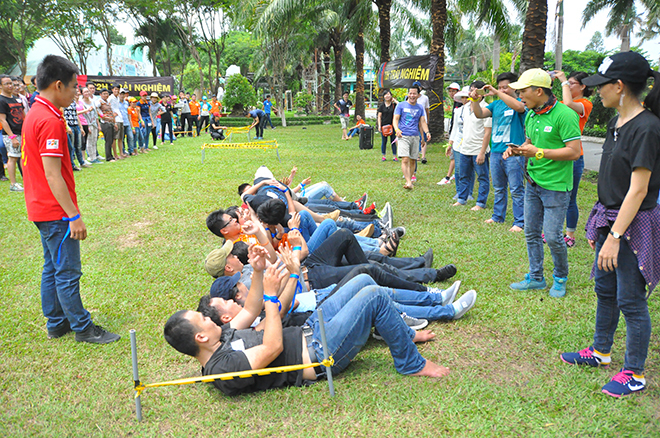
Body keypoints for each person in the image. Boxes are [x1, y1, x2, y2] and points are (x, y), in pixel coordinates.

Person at [164, 245, 452, 397]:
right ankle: (410, 363)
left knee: (364, 278)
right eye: (202, 318)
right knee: (373, 296)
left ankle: (400, 332)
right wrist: (272, 300)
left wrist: (261, 272)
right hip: (319, 353)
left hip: (312, 328)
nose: (207, 317)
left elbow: (250, 311)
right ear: (200, 337)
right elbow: (272, 347)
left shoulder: (223, 335)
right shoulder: (221, 369)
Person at [560, 52, 660, 398]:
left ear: (619, 86)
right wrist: (599, 229)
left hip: (631, 225)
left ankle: (633, 372)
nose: (596, 92)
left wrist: (616, 236)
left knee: (631, 299)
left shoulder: (647, 127)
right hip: (609, 221)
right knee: (605, 289)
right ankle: (601, 351)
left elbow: (639, 189)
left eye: (601, 86)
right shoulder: (615, 123)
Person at [21, 55, 120, 344]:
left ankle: (56, 322)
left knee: (51, 267)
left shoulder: (36, 114)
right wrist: (73, 215)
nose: (76, 92)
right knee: (67, 271)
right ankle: (83, 327)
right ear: (58, 84)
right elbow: (53, 175)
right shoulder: (49, 119)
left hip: (39, 206)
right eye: (74, 87)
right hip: (54, 211)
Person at [505, 69, 581, 297]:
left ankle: (560, 278)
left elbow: (574, 152)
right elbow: (530, 143)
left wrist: (538, 152)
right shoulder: (531, 115)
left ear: (539, 91)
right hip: (533, 183)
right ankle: (536, 277)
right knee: (531, 232)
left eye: (522, 91)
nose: (520, 97)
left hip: (556, 186)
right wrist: (518, 150)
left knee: (554, 236)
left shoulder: (564, 115)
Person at [471, 73, 527, 231]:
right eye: (500, 87)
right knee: (499, 187)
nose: (502, 90)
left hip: (514, 153)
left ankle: (519, 222)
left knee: (516, 189)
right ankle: (497, 217)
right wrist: (475, 100)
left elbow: (519, 108)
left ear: (514, 87)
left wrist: (497, 92)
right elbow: (479, 114)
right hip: (496, 151)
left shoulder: (519, 103)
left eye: (506, 87)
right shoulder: (496, 105)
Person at [553, 70, 594, 247]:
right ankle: (554, 232)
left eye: (571, 83)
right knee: (554, 195)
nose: (568, 86)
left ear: (583, 86)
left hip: (574, 156)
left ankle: (570, 235)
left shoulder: (585, 103)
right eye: (567, 83)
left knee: (570, 197)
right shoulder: (562, 102)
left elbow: (568, 102)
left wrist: (561, 80)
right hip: (557, 154)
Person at [453, 81, 491, 211]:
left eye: (477, 90)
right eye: (471, 90)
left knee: (482, 177)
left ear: (483, 93)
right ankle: (461, 199)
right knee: (464, 175)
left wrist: (482, 152)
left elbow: (487, 133)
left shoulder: (487, 108)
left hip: (479, 149)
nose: (474, 93)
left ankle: (480, 203)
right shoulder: (464, 107)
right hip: (465, 148)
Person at [393, 84, 430, 190]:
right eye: (410, 93)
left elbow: (422, 121)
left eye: (414, 93)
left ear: (418, 95)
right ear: (408, 94)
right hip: (403, 136)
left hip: (415, 136)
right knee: (405, 159)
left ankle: (410, 178)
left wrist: (426, 132)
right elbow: (395, 119)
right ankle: (408, 181)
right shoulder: (401, 105)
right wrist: (397, 130)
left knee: (413, 160)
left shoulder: (420, 108)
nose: (412, 95)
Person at [0, 74, 25, 191]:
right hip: (11, 134)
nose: (11, 86)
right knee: (13, 157)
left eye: (12, 83)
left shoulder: (16, 98)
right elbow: (2, 120)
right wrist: (12, 137)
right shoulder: (1, 100)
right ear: (0, 86)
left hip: (22, 132)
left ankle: (27, 180)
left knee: (22, 157)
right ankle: (13, 184)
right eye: (7, 84)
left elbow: (23, 115)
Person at [80, 87, 102, 163]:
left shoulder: (92, 101)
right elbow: (83, 115)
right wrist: (87, 126)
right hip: (87, 124)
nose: (87, 93)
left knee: (94, 140)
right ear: (82, 94)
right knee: (89, 141)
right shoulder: (81, 102)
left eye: (88, 91)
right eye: (85, 92)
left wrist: (98, 125)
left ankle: (94, 156)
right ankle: (91, 157)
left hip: (94, 123)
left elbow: (95, 114)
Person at [96, 89, 117, 161]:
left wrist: (114, 122)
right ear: (100, 94)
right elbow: (95, 108)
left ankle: (111, 155)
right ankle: (108, 157)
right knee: (108, 140)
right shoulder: (100, 102)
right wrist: (102, 116)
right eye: (104, 94)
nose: (106, 95)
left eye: (107, 94)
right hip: (105, 123)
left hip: (111, 122)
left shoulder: (107, 102)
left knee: (111, 140)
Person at [377, 89, 397, 162]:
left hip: (393, 125)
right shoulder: (382, 106)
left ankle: (394, 156)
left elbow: (401, 106)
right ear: (384, 96)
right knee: (384, 141)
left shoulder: (394, 105)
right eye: (386, 94)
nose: (387, 96)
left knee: (393, 141)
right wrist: (379, 126)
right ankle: (383, 156)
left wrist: (394, 100)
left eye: (389, 94)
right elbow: (379, 116)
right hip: (384, 125)